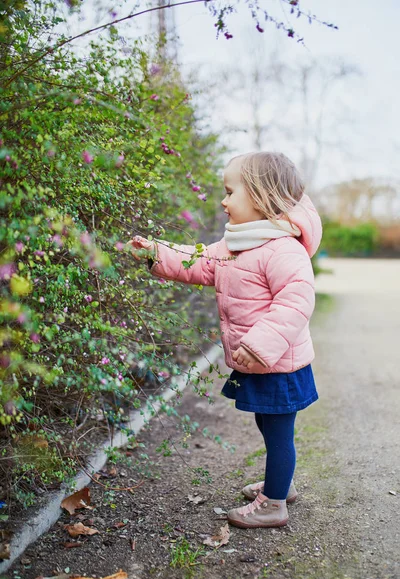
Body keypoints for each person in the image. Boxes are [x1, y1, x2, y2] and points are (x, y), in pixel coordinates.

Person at [128, 151, 322, 529]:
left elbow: (296, 301)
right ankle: (280, 484)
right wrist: (156, 250)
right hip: (256, 359)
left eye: (231, 192)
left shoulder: (283, 249)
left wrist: (261, 345)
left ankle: (275, 503)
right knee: (267, 425)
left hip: (277, 362)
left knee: (279, 431)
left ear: (263, 197)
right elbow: (197, 259)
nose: (223, 200)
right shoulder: (236, 244)